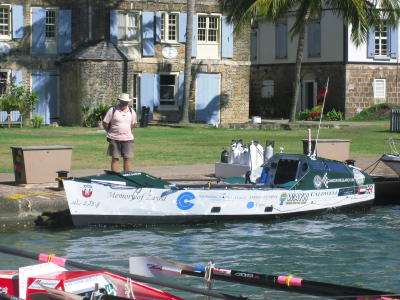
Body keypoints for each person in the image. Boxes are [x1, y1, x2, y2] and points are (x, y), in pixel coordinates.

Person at [102, 93, 137, 172]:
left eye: (126, 101)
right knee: (115, 158)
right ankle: (115, 177)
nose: (125, 102)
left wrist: (126, 130)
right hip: (114, 138)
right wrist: (109, 131)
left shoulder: (132, 111)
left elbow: (133, 124)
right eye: (123, 101)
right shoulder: (112, 110)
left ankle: (127, 176)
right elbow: (105, 123)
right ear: (120, 101)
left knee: (127, 159)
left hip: (128, 139)